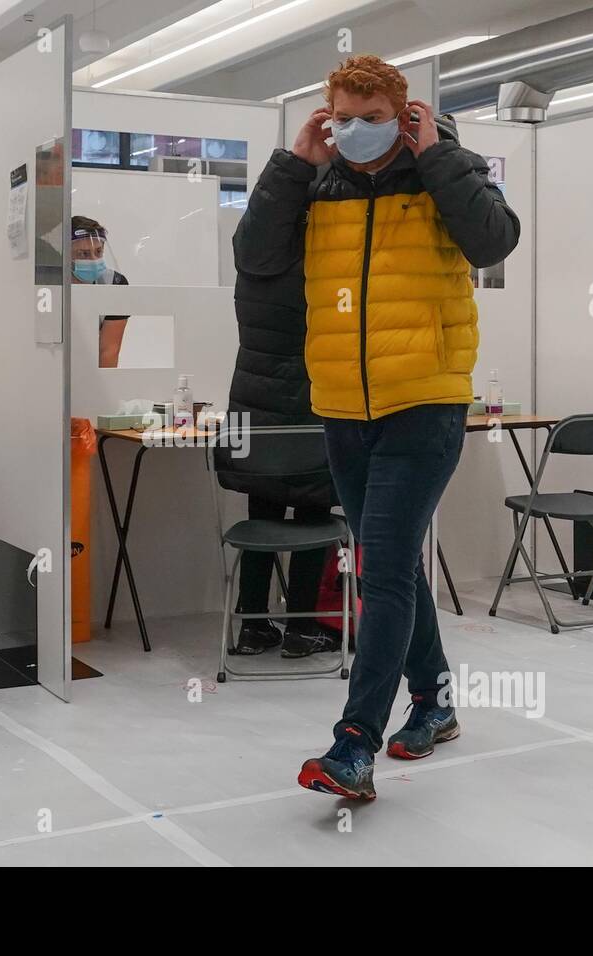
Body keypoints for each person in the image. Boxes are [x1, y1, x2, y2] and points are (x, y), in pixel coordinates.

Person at [233, 55, 519, 800]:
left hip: (424, 400)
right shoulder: (318, 183)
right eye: (343, 118)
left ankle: (353, 742)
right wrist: (294, 163)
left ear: (405, 115)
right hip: (339, 402)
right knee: (385, 560)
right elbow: (255, 257)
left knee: (382, 568)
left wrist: (439, 154)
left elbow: (494, 241)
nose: (356, 132)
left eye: (372, 118)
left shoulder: (440, 175)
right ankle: (433, 701)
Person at [220, 265, 338, 659]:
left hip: (253, 402)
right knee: (314, 514)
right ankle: (302, 628)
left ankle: (252, 625)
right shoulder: (322, 260)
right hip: (314, 398)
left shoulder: (253, 255)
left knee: (262, 512)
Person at [69, 216, 131, 368]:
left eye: (98, 251)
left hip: (90, 371)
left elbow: (108, 351)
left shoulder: (114, 284)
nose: (94, 260)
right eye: (83, 254)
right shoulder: (48, 287)